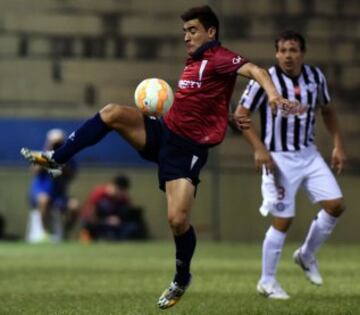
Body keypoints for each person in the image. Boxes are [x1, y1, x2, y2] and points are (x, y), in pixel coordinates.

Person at [21, 6, 298, 309]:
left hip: (188, 150)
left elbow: (256, 71)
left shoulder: (220, 57)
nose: (186, 37)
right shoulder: (195, 61)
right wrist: (226, 116)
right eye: (184, 32)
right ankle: (58, 159)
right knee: (112, 112)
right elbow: (205, 99)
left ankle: (181, 278)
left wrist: (272, 95)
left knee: (177, 221)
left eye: (192, 30)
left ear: (211, 32)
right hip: (164, 132)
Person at [236, 30, 346, 299]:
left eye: (293, 50)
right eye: (283, 50)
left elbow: (327, 110)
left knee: (335, 205)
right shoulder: (267, 80)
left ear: (302, 54)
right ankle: (267, 281)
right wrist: (259, 148)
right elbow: (240, 114)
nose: (288, 55)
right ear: (276, 54)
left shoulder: (315, 78)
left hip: (309, 154)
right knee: (283, 219)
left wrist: (338, 145)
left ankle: (306, 255)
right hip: (279, 158)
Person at [26, 128, 79, 243]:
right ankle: (44, 233)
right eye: (54, 143)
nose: (56, 145)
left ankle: (65, 232)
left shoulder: (68, 158)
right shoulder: (41, 154)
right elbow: (34, 171)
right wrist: (48, 154)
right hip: (40, 193)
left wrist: (62, 160)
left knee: (74, 206)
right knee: (44, 200)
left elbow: (72, 175)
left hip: (58, 196)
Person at [80, 175, 148, 241]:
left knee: (133, 226)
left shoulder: (123, 198)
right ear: (112, 185)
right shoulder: (98, 194)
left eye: (123, 191)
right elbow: (89, 218)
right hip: (98, 225)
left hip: (115, 227)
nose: (121, 194)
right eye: (120, 190)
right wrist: (106, 221)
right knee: (88, 226)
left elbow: (127, 214)